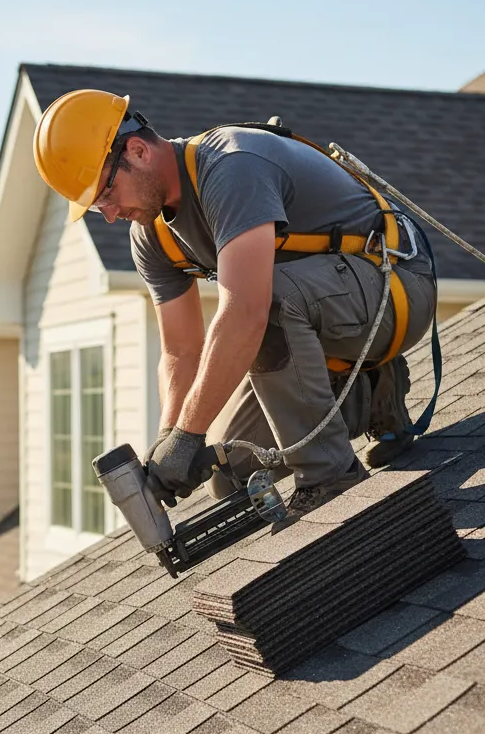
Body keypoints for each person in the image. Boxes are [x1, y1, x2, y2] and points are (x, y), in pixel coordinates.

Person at [32, 90, 437, 527]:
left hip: (396, 288)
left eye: (105, 191)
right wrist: (172, 439)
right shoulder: (151, 233)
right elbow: (179, 351)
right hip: (328, 321)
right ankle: (373, 392)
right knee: (230, 474)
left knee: (264, 304)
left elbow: (246, 313)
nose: (109, 213)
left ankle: (331, 475)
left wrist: (188, 435)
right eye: (95, 206)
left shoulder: (231, 166)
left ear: (137, 150)